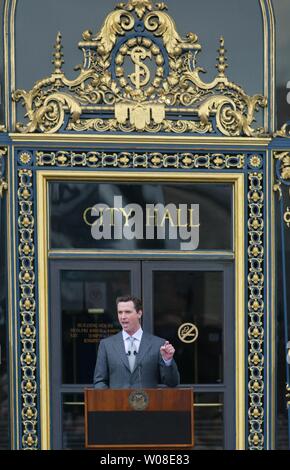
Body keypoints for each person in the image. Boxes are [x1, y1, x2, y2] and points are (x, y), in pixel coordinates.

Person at [93, 295, 180, 388]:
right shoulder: (107, 345)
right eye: (120, 312)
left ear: (139, 313)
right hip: (117, 402)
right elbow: (99, 381)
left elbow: (172, 383)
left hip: (148, 402)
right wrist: (109, 400)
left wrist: (167, 361)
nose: (123, 317)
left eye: (127, 312)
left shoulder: (158, 344)